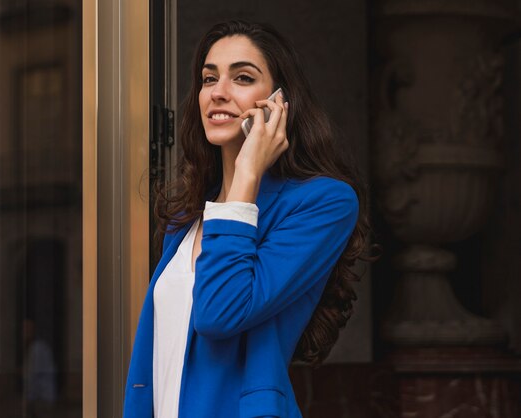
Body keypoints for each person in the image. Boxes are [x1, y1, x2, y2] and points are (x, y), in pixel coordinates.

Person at [124, 20, 369, 418]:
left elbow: (220, 313)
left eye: (242, 77)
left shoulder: (324, 203)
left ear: (279, 103)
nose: (218, 93)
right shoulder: (187, 214)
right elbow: (156, 357)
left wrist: (248, 174)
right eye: (208, 79)